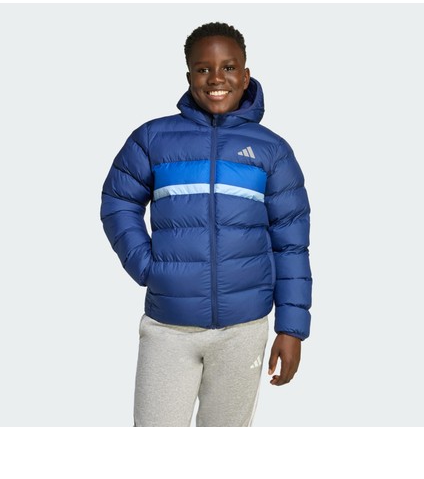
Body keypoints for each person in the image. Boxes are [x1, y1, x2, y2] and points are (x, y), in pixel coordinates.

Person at [100, 22, 312, 427]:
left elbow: (291, 245)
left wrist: (292, 329)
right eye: (203, 69)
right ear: (189, 76)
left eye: (228, 67)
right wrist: (147, 267)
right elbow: (118, 201)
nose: (216, 78)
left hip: (243, 330)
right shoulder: (153, 139)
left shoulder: (272, 151)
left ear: (245, 75)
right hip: (168, 329)